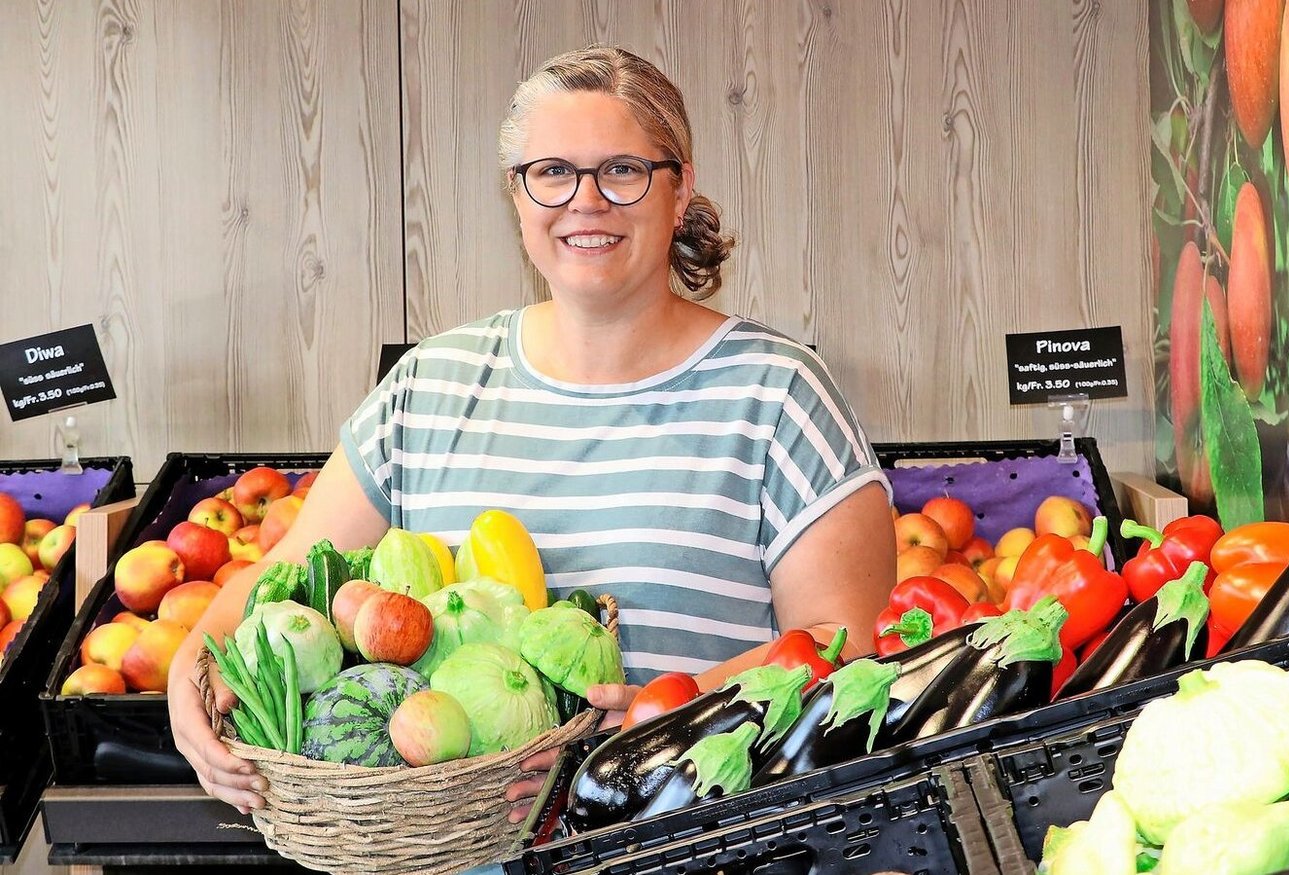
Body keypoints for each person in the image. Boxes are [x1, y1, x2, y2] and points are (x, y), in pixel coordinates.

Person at [168, 43, 895, 854]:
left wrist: (677, 704)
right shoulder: (430, 385)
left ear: (680, 185)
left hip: (698, 846)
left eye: (622, 170)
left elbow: (845, 650)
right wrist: (191, 659)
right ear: (517, 195)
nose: (586, 202)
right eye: (551, 172)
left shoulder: (779, 393)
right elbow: (285, 578)